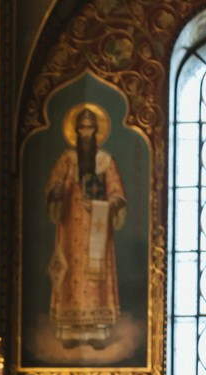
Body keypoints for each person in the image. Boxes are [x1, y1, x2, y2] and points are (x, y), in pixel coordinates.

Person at [45, 105, 127, 349]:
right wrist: (56, 191)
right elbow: (53, 185)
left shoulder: (105, 161)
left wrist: (107, 203)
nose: (86, 133)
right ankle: (69, 331)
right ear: (76, 131)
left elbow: (117, 193)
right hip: (70, 228)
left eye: (90, 128)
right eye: (82, 128)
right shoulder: (67, 159)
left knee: (95, 277)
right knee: (69, 274)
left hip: (97, 228)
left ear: (97, 131)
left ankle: (98, 332)